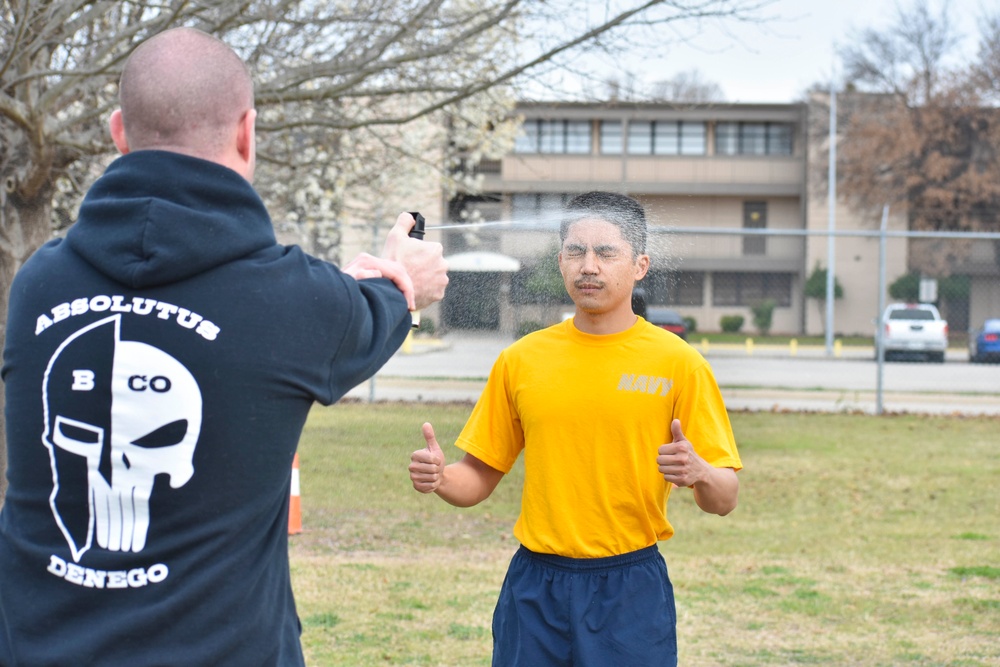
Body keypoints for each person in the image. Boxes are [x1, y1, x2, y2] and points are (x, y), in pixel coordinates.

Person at [0, 27, 447, 666]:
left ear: (118, 132)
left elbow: (249, 314)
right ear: (247, 133)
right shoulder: (301, 302)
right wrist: (405, 280)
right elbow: (379, 303)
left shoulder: (38, 284)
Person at [408, 191, 741, 666]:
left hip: (629, 588)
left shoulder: (679, 363)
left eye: (606, 252)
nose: (589, 266)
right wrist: (441, 478)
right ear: (560, 261)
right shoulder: (522, 360)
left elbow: (724, 498)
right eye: (575, 251)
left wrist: (702, 472)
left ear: (640, 265)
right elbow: (478, 477)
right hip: (535, 586)